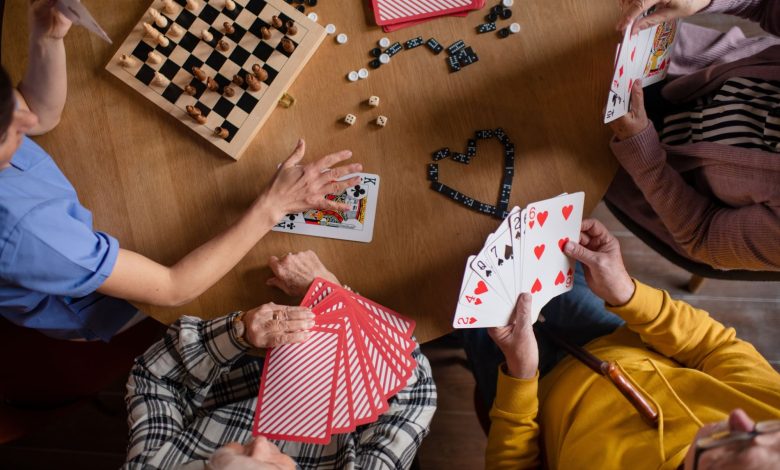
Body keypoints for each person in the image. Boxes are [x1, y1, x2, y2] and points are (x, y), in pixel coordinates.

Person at [0, 1, 361, 341]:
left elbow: (40, 113)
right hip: (103, 301)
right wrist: (274, 205)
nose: (26, 119)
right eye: (7, 131)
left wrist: (47, 36)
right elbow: (174, 287)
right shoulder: (30, 234)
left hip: (77, 229)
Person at [461, 218, 780, 469]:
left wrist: (520, 375)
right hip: (609, 335)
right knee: (504, 231)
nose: (741, 418)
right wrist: (627, 293)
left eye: (743, 441)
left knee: (457, 283)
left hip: (530, 401)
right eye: (766, 429)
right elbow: (715, 347)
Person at [123, 250, 436, 470]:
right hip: (341, 368)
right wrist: (335, 297)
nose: (258, 441)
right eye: (273, 466)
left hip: (221, 367)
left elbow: (156, 380)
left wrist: (238, 333)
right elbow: (414, 395)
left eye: (223, 459)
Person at [606, 0, 780, 271]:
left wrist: (640, 149)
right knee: (598, 24)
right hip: (696, 66)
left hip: (651, 173)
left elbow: (702, 235)